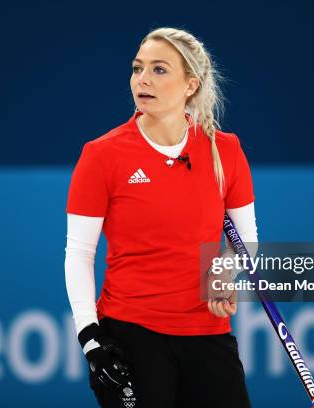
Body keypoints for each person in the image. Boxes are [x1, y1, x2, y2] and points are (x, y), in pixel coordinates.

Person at [65, 27, 258, 408]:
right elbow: (79, 254)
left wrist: (223, 275)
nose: (143, 79)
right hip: (131, 334)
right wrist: (89, 336)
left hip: (207, 332)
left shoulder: (227, 150)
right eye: (138, 69)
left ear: (191, 85)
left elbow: (245, 240)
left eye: (159, 70)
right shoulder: (101, 155)